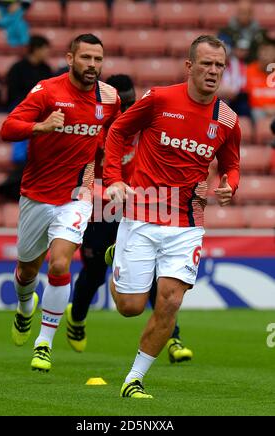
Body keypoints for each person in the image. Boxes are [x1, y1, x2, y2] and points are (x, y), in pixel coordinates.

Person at [103, 35, 241, 398]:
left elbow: (231, 164)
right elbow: (118, 130)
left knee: (171, 300)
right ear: (189, 66)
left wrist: (231, 184)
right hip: (145, 209)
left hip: (188, 221)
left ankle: (134, 378)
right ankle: (117, 256)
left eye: (219, 65)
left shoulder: (227, 118)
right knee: (130, 307)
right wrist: (114, 179)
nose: (213, 71)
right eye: (207, 64)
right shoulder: (160, 99)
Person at [0, 33, 121, 372]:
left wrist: (110, 175)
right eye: (86, 58)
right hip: (36, 195)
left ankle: (44, 344)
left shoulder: (109, 98)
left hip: (76, 195)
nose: (93, 65)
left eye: (98, 59)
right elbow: (7, 127)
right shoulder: (47, 91)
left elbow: (115, 136)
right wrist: (41, 126)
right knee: (27, 270)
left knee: (59, 264)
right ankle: (25, 309)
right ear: (70, 59)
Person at [66, 74, 193, 364]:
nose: (127, 111)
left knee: (158, 273)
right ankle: (77, 317)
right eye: (122, 105)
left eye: (132, 103)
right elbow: (82, 170)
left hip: (142, 205)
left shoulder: (147, 125)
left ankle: (172, 338)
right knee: (96, 272)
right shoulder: (96, 130)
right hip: (102, 206)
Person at [6, 35, 52, 109]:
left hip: (41, 105)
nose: (48, 52)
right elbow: (12, 92)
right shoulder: (17, 68)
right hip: (20, 105)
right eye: (45, 49)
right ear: (36, 49)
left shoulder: (46, 69)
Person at [246, 38, 275, 122]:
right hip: (256, 111)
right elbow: (248, 97)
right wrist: (264, 107)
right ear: (258, 54)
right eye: (264, 52)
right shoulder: (249, 70)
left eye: (270, 53)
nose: (266, 56)